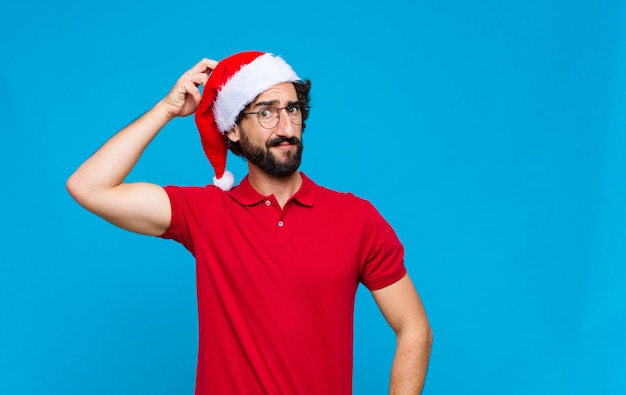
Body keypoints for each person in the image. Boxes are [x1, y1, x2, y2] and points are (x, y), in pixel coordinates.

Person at [67, 51, 433, 394]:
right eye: (266, 112)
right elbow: (88, 186)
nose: (286, 127)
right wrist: (165, 110)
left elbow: (414, 327)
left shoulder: (356, 218)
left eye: (293, 109)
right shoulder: (205, 213)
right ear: (232, 130)